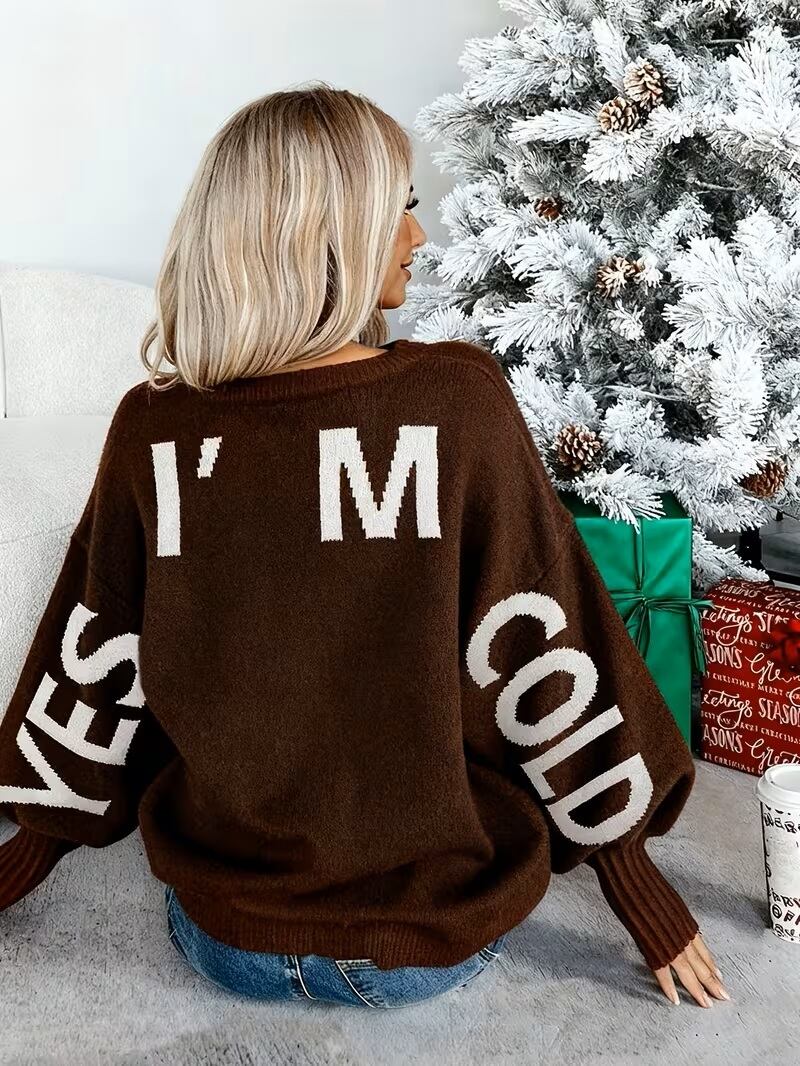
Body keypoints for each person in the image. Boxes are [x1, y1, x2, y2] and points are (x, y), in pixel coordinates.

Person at [0, 84, 729, 1011]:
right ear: (329, 234)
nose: (419, 237)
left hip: (228, 939)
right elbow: (542, 641)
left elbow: (98, 654)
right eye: (401, 210)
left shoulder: (156, 427)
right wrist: (635, 883)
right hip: (425, 949)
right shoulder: (456, 401)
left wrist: (26, 857)